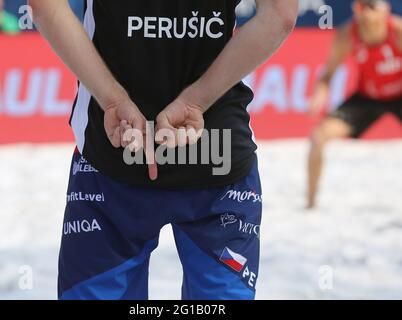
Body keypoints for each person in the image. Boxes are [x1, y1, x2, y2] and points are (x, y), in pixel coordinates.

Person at [29, 0, 298, 300]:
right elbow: (280, 15)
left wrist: (113, 99)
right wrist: (196, 100)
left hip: (116, 144)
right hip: (216, 149)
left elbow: (44, 7)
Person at [307, 0, 402, 209]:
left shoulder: (397, 31)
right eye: (361, 7)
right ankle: (310, 205)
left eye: (371, 7)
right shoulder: (347, 34)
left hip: (399, 94)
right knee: (318, 137)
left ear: (385, 10)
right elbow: (328, 74)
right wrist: (319, 94)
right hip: (366, 98)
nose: (366, 13)